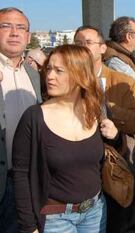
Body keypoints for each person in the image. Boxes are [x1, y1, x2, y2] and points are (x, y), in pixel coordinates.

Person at [12, 45, 118, 233]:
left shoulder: (95, 110)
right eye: (49, 69)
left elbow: (105, 155)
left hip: (96, 211)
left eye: (59, 71)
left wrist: (115, 135)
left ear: (81, 75)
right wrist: (29, 227)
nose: (50, 76)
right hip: (55, 219)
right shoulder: (34, 117)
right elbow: (21, 175)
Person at [74, 25, 135, 233]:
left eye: (88, 43)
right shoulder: (67, 79)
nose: (82, 47)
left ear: (102, 48)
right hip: (75, 168)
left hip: (110, 166)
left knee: (114, 222)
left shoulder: (122, 81)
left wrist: (108, 108)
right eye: (78, 43)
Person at [0, 7, 42, 233]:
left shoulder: (32, 73)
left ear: (28, 36)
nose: (14, 33)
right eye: (6, 26)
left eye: (21, 28)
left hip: (25, 179)